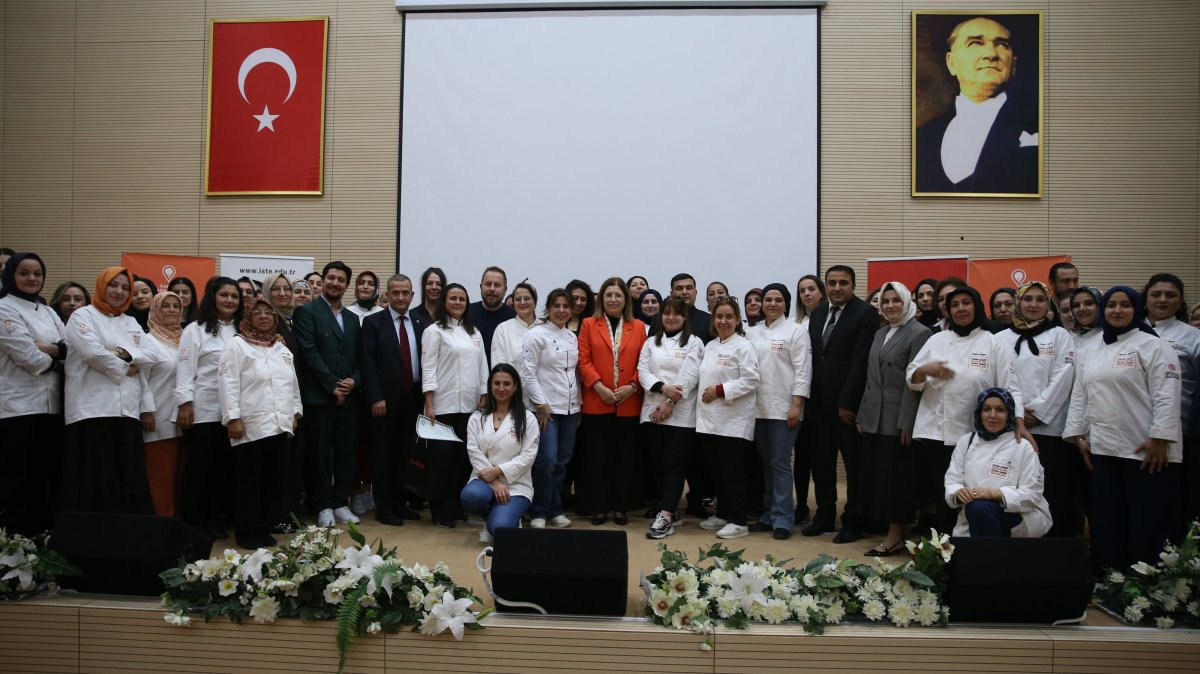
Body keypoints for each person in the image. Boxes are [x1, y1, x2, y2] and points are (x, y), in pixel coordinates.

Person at [1064, 286, 1183, 573]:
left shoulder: (1153, 345)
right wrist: (1079, 436)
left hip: (1146, 451)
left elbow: (1168, 393)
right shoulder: (1092, 348)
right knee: (1107, 519)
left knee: (1146, 520)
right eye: (1111, 305)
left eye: (1125, 305)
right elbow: (1081, 394)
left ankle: (1147, 583)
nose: (1117, 310)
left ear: (1137, 309)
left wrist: (1160, 437)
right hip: (1103, 449)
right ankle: (1110, 578)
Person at [907, 285, 1025, 535]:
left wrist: (1019, 422)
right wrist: (925, 370)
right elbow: (912, 379)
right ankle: (943, 549)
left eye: (966, 303)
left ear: (977, 306)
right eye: (955, 305)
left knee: (970, 492)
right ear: (948, 311)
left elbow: (1010, 387)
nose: (961, 308)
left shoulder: (992, 343)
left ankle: (970, 547)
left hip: (973, 434)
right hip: (934, 431)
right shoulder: (936, 339)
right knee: (943, 494)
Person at [61, 266, 154, 514]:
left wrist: (120, 352)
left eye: (125, 288)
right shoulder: (82, 316)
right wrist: (127, 365)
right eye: (114, 285)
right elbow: (92, 352)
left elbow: (153, 354)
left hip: (127, 412)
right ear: (102, 285)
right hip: (91, 410)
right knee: (96, 478)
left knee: (128, 476)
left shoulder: (131, 321)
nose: (119, 291)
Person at [914, 16, 1037, 194]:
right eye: (975, 43)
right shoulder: (923, 137)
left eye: (1002, 44)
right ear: (951, 63)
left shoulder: (1038, 121)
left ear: (1014, 66)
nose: (991, 54)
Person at [219, 298, 302, 549]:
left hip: (279, 425)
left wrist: (296, 413)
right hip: (250, 425)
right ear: (247, 316)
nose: (264, 316)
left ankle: (263, 527)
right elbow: (227, 382)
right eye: (257, 312)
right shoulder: (237, 345)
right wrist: (232, 417)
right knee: (248, 483)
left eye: (268, 312)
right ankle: (246, 531)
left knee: (272, 482)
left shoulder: (282, 348)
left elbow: (292, 384)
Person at [803, 265, 877, 543]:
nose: (837, 288)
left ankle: (853, 521)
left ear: (853, 285)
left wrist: (847, 403)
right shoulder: (818, 313)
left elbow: (861, 361)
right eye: (832, 283)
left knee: (853, 468)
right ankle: (824, 516)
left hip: (846, 407)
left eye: (843, 283)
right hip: (818, 405)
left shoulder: (865, 313)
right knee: (821, 465)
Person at [996, 281, 1077, 536]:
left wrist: (1038, 411)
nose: (1033, 304)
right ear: (1018, 302)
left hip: (1049, 428)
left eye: (1040, 299)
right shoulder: (1000, 338)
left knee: (1053, 489)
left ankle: (1057, 547)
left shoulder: (1060, 335)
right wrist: (1018, 414)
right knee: (1016, 488)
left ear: (1048, 304)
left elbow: (1065, 375)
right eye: (1027, 299)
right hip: (1012, 428)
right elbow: (1000, 380)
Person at [857, 282, 932, 556]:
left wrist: (908, 422)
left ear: (907, 302)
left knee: (897, 481)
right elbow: (870, 378)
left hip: (898, 420)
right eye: (885, 301)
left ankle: (896, 536)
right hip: (874, 417)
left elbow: (915, 383)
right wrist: (864, 413)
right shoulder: (881, 333)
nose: (889, 305)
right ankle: (891, 532)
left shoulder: (920, 334)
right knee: (880, 478)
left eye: (895, 300)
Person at [0, 253, 68, 534]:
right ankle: (15, 544)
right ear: (11, 275)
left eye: (37, 274)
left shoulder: (48, 311)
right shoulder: (4, 308)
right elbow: (26, 355)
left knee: (47, 478)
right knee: (19, 480)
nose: (31, 279)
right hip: (17, 408)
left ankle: (43, 544)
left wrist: (53, 350)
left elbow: (71, 348)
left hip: (52, 408)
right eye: (24, 273)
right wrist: (56, 359)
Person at [292, 261, 362, 527]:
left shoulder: (354, 319)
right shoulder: (307, 312)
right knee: (320, 454)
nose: (335, 283)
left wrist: (353, 382)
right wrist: (332, 385)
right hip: (320, 398)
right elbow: (309, 352)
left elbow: (359, 357)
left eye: (341, 279)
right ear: (322, 281)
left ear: (346, 285)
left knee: (346, 452)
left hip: (349, 398)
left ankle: (340, 502)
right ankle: (322, 505)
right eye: (331, 278)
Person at [578, 277, 646, 525]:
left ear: (626, 299)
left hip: (628, 402)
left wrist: (632, 386)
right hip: (597, 401)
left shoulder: (638, 326)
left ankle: (620, 506)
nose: (613, 300)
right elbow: (583, 360)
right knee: (598, 459)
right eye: (609, 295)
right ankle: (600, 506)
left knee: (625, 459)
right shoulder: (588, 324)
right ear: (601, 299)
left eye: (618, 295)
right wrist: (598, 387)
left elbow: (645, 362)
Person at [177, 276, 241, 538]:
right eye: (224, 295)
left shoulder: (241, 330)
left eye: (235, 296)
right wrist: (184, 403)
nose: (229, 300)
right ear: (212, 297)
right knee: (201, 469)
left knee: (224, 471)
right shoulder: (195, 329)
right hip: (203, 410)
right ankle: (194, 521)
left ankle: (216, 519)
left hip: (233, 413)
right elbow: (184, 369)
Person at [360, 274, 426, 526]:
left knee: (406, 455)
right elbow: (367, 363)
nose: (400, 297)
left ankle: (401, 504)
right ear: (387, 295)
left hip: (413, 399)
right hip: (384, 402)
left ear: (412, 295)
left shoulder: (420, 323)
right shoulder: (374, 323)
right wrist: (376, 397)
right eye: (395, 293)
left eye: (405, 293)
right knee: (384, 455)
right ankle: (385, 507)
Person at [422, 282, 489, 528]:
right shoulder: (434, 331)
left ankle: (457, 507)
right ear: (444, 302)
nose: (458, 303)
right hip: (443, 405)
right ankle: (441, 511)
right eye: (453, 298)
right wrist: (429, 403)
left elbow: (484, 366)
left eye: (462, 299)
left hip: (470, 406)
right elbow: (428, 368)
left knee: (462, 460)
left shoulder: (474, 333)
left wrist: (483, 396)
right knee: (442, 461)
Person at [747, 283, 811, 540]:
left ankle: (784, 518)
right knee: (766, 464)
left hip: (785, 409)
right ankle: (768, 514)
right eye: (768, 299)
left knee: (780, 463)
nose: (772, 304)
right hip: (756, 409)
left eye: (778, 300)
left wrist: (796, 404)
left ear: (786, 304)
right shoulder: (753, 332)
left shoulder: (796, 331)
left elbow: (803, 370)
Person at [945, 388, 1051, 538]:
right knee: (977, 509)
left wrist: (992, 494)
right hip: (972, 515)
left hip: (1018, 516)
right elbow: (952, 481)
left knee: (979, 508)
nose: (992, 415)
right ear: (979, 413)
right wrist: (958, 492)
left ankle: (994, 558)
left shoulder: (1023, 446)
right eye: (986, 409)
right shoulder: (966, 442)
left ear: (1010, 414)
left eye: (1000, 410)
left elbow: (1032, 494)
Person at [639, 297, 703, 539]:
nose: (671, 317)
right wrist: (663, 390)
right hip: (651, 411)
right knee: (657, 464)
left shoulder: (694, 342)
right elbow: (642, 372)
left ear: (685, 317)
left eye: (677, 313)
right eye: (667, 313)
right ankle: (669, 508)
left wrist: (670, 402)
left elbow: (690, 376)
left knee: (672, 465)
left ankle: (665, 516)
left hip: (680, 415)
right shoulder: (650, 343)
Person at [695, 298, 759, 539]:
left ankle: (738, 521)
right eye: (719, 316)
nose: (723, 321)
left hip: (733, 421)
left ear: (737, 320)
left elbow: (751, 379)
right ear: (713, 320)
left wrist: (721, 390)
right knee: (717, 471)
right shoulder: (710, 346)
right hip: (710, 420)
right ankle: (722, 514)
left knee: (733, 473)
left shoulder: (744, 346)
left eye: (728, 317)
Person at [520, 288, 581, 529]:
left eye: (566, 306)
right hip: (545, 410)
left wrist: (579, 406)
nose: (562, 311)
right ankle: (538, 512)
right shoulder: (536, 335)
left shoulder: (571, 336)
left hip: (570, 410)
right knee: (546, 461)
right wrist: (541, 405)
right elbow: (528, 373)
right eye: (557, 306)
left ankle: (555, 509)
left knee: (562, 462)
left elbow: (573, 374)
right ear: (548, 308)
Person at [1142, 273, 1200, 521]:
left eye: (1170, 295)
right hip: (1132, 434)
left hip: (1181, 435)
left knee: (1175, 502)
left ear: (1181, 300)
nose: (1162, 300)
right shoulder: (1130, 333)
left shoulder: (1192, 337)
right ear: (1145, 299)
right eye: (1156, 294)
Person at [461, 363, 539, 544]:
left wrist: (498, 472)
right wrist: (494, 481)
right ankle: (494, 515)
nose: (501, 388)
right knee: (470, 497)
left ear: (515, 386)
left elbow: (528, 456)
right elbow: (473, 451)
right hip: (485, 481)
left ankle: (502, 518)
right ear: (490, 386)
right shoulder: (477, 417)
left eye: (506, 384)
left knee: (498, 528)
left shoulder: (528, 418)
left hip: (516, 484)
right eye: (496, 383)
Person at [141, 291, 184, 517]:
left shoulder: (185, 339)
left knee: (180, 476)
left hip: (185, 419)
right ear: (156, 309)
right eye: (165, 306)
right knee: (161, 476)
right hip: (158, 419)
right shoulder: (148, 341)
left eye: (176, 306)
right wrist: (147, 410)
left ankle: (178, 524)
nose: (171, 310)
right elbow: (141, 379)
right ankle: (162, 523)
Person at [792, 273, 826, 524]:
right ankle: (801, 505)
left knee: (819, 457)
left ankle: (824, 510)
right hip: (800, 397)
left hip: (823, 397)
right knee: (801, 456)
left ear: (821, 292)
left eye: (811, 289)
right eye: (802, 290)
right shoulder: (797, 323)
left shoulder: (829, 320)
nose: (807, 294)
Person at [468, 266, 516, 362]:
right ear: (481, 286)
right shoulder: (466, 312)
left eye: (497, 285)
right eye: (488, 284)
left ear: (505, 290)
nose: (492, 289)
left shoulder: (514, 317)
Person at [491, 282, 537, 368]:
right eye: (518, 299)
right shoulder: (503, 329)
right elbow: (498, 367)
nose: (522, 302)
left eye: (527, 298)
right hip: (514, 381)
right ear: (514, 304)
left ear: (535, 302)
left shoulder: (546, 327)